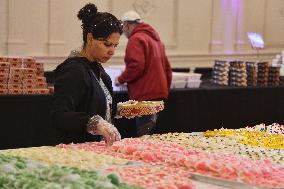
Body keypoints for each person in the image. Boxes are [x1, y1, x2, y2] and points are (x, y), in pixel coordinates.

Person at [51, 3, 122, 146]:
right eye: (107, 44)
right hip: (78, 152)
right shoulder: (74, 70)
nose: (112, 51)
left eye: (115, 46)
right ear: (90, 38)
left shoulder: (98, 69)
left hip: (99, 150)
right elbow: (59, 115)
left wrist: (120, 111)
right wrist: (93, 123)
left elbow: (92, 106)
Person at [115, 10, 172, 137]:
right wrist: (164, 91)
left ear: (128, 25)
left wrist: (120, 79)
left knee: (144, 136)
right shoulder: (157, 41)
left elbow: (136, 66)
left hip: (144, 95)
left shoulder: (135, 39)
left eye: (123, 27)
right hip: (159, 95)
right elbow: (167, 69)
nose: (123, 31)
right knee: (154, 136)